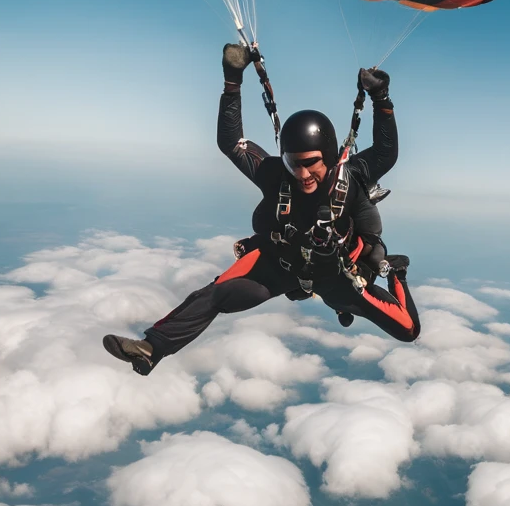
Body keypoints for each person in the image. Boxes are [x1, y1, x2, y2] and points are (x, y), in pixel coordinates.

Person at [103, 45, 420, 375]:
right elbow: (233, 144)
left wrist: (381, 99)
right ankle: (152, 347)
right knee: (216, 294)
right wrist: (232, 82)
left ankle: (398, 272)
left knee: (408, 329)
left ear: (327, 154)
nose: (301, 174)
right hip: (280, 264)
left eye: (310, 164)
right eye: (293, 164)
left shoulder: (351, 176)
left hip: (339, 276)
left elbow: (385, 153)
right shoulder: (275, 175)